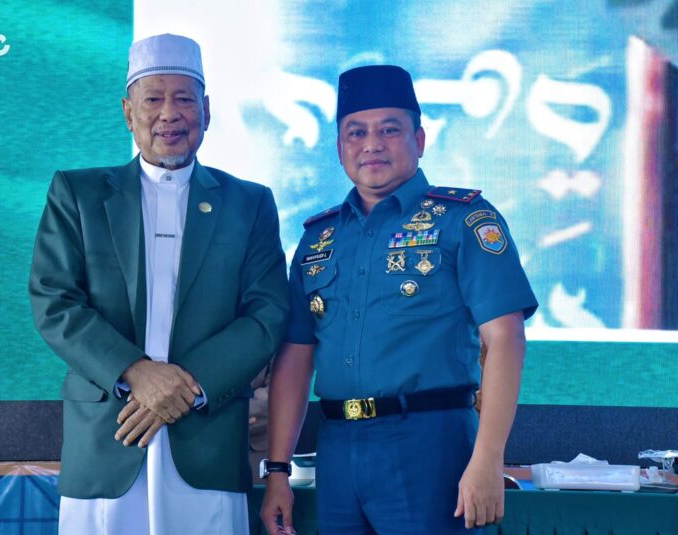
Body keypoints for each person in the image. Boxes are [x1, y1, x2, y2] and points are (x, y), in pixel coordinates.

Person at [260, 65, 538, 534]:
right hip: (337, 447)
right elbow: (295, 358)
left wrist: (489, 458)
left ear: (420, 140)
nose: (372, 144)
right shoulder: (317, 238)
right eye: (356, 132)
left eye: (389, 130)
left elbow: (506, 339)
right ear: (339, 148)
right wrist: (277, 471)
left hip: (430, 443)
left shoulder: (463, 219)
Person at [29, 33, 288, 534]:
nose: (169, 114)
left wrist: (183, 385)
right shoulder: (78, 193)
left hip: (207, 438)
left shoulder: (249, 203)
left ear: (206, 112)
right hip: (109, 438)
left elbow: (267, 314)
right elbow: (54, 301)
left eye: (184, 99)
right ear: (129, 113)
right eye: (153, 99)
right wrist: (137, 372)